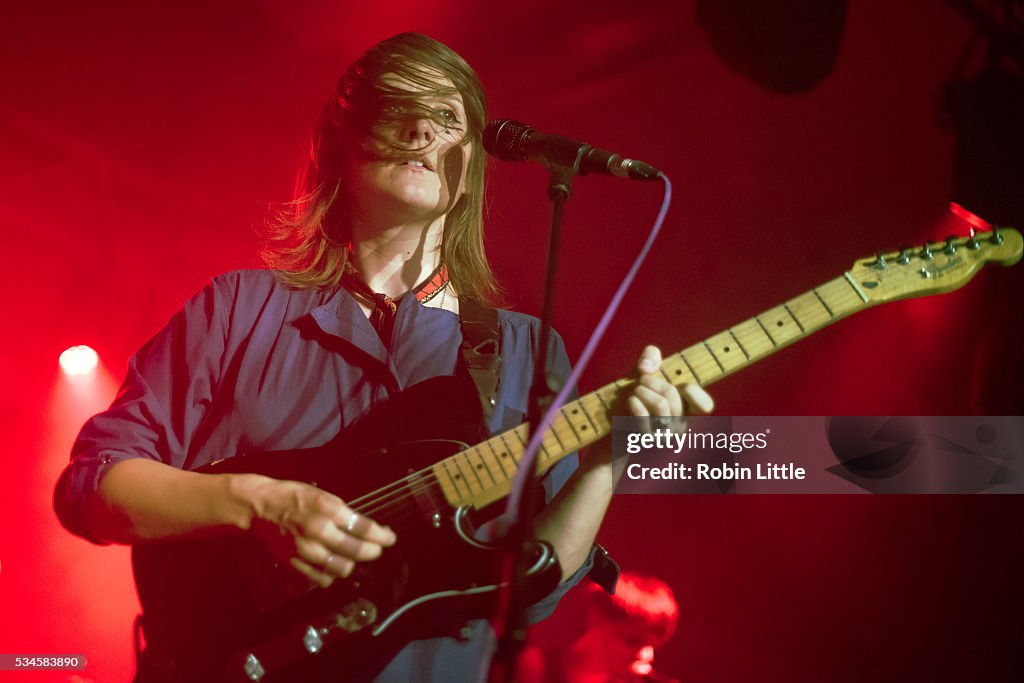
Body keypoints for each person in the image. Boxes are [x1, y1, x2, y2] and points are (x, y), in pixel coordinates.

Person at [54, 32, 713, 682]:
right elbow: (90, 486)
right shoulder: (237, 308)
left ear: (469, 175)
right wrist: (257, 502)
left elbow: (534, 589)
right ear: (342, 145)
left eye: (448, 117)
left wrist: (609, 459)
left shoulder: (526, 350)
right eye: (398, 106)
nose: (422, 126)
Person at [520, 571, 682, 683]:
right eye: (632, 640)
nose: (646, 655)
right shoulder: (533, 668)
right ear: (596, 620)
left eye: (654, 646)